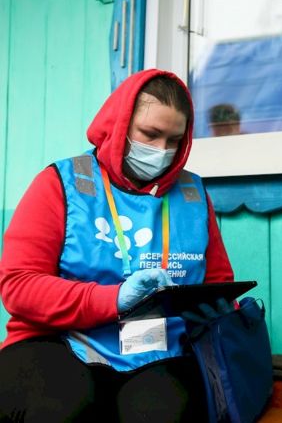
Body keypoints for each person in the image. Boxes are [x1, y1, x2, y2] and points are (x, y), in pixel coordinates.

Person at [0, 69, 234, 421]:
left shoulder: (193, 195)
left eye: (174, 140)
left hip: (160, 350)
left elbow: (218, 282)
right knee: (60, 409)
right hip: (59, 341)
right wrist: (113, 299)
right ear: (119, 124)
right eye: (149, 135)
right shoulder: (61, 182)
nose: (162, 151)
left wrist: (211, 309)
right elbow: (19, 286)